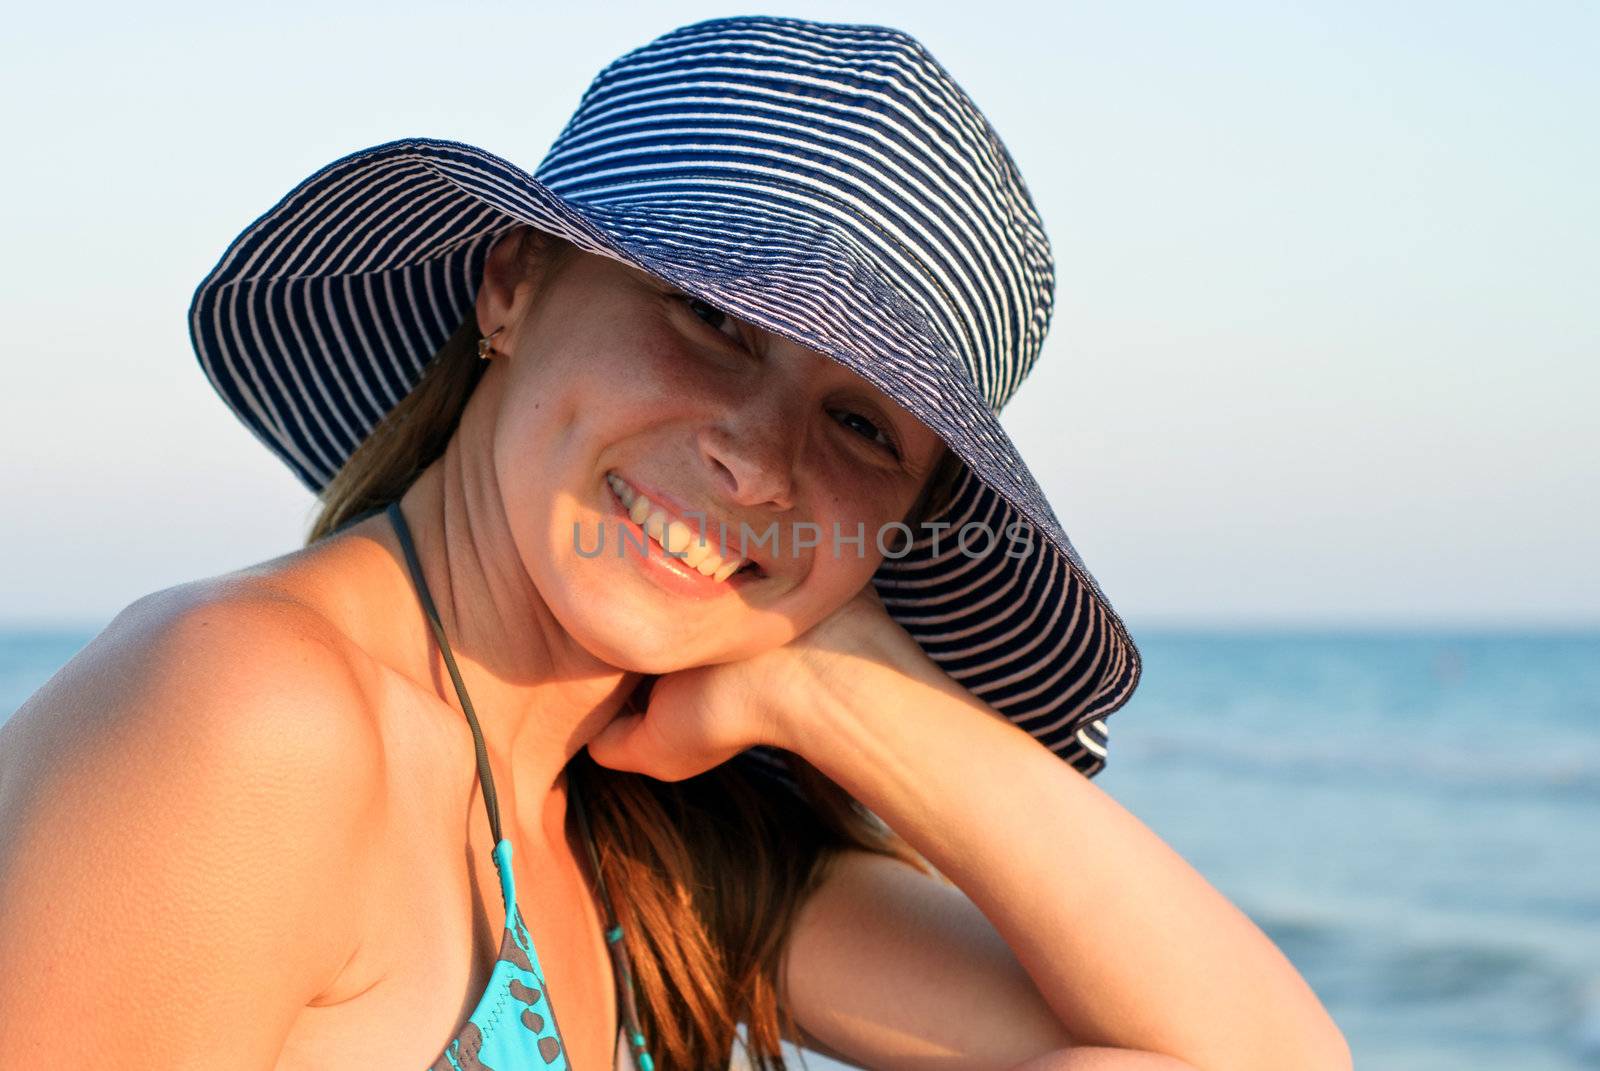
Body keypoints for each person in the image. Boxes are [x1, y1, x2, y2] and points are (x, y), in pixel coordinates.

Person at [0, 15, 1350, 1071]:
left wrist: (827, 687)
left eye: (861, 428)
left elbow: (1249, 1062)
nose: (758, 460)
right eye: (712, 318)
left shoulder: (643, 843)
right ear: (514, 286)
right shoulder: (249, 709)